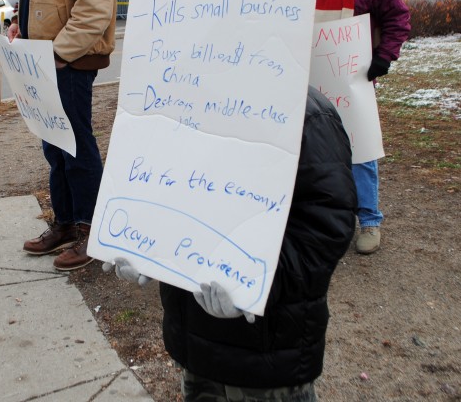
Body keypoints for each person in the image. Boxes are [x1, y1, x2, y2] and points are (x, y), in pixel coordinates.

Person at [104, 85, 357, 401]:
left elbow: (325, 226)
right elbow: (161, 187)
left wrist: (257, 285)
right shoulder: (176, 97)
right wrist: (139, 247)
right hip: (195, 343)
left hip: (267, 356)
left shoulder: (305, 114)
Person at [8, 0, 117, 271]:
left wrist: (57, 54)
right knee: (53, 146)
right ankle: (67, 224)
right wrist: (22, 23)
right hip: (43, 61)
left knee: (76, 147)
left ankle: (94, 231)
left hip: (70, 62)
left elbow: (94, 9)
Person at [317, 0, 411, 254]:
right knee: (319, 155)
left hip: (352, 84)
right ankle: (326, 221)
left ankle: (369, 221)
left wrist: (384, 56)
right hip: (314, 84)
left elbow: (397, 15)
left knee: (361, 152)